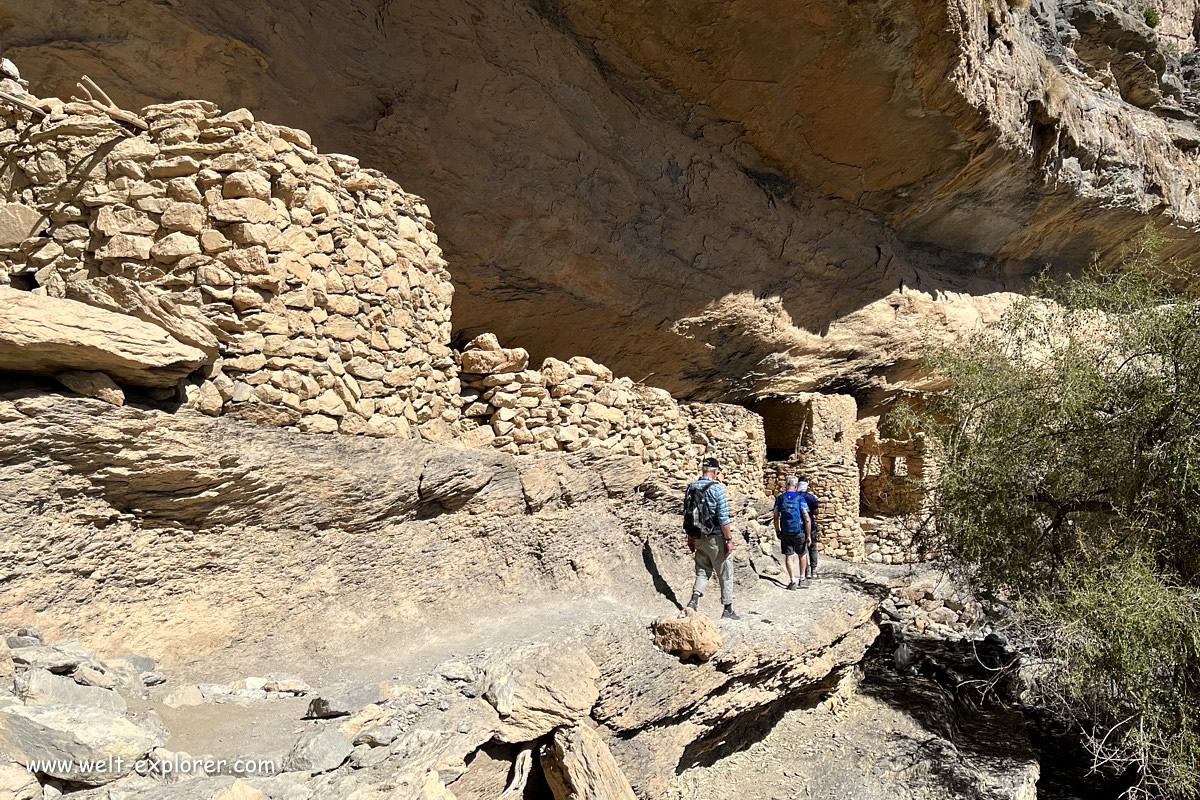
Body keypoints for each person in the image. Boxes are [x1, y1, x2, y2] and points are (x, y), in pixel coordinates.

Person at [684, 457, 740, 620]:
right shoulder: (718, 489)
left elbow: (688, 515)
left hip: (698, 536)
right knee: (725, 573)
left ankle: (694, 600)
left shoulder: (691, 487)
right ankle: (728, 608)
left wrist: (691, 537)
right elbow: (723, 519)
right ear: (715, 472)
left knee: (702, 570)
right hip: (715, 537)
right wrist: (728, 540)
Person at [772, 476, 812, 590]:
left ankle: (792, 581)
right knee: (802, 554)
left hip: (785, 531)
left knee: (789, 556)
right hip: (799, 531)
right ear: (795, 486)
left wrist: (777, 530)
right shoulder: (800, 498)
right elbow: (807, 519)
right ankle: (802, 579)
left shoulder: (780, 498)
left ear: (786, 485)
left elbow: (775, 516)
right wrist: (808, 535)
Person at [798, 478, 820, 578]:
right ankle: (814, 570)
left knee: (802, 549)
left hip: (799, 526)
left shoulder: (794, 497)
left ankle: (805, 571)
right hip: (810, 524)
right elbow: (816, 512)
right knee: (813, 547)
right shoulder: (810, 497)